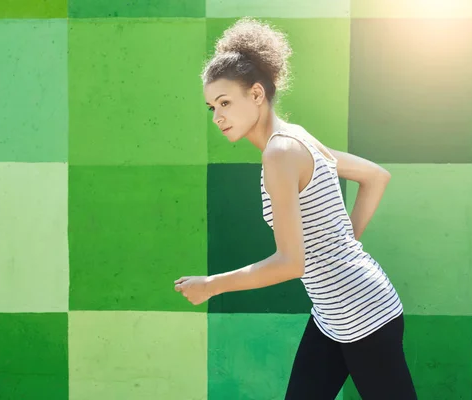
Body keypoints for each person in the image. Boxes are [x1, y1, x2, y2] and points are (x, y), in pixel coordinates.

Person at [174, 17, 418, 400]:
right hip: (331, 315)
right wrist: (341, 245)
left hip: (363, 314)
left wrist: (212, 285)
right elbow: (375, 176)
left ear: (256, 94)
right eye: (211, 107)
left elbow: (291, 263)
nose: (217, 116)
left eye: (225, 102)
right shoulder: (296, 137)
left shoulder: (280, 152)